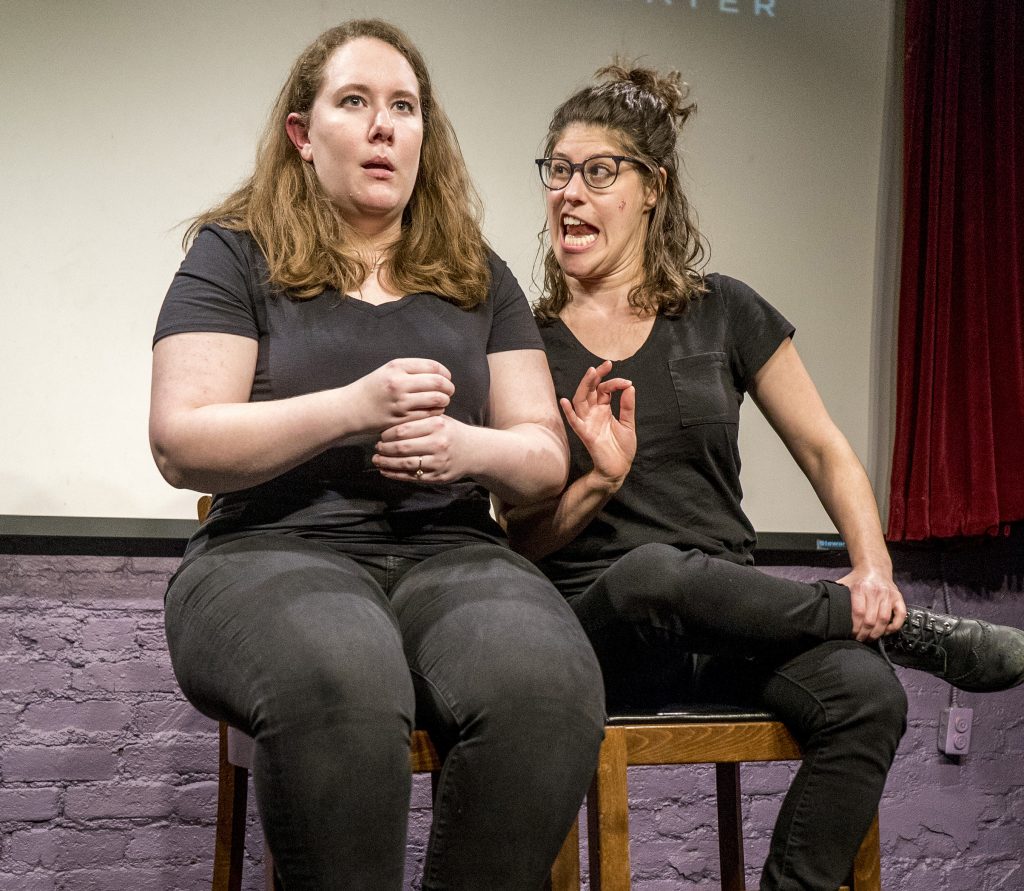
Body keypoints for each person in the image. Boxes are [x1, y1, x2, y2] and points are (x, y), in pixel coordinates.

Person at [502, 63, 1024, 890]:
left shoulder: (725, 310)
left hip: (732, 619)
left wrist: (875, 568)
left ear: (652, 189)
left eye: (598, 171)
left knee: (869, 698)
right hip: (599, 632)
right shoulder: (521, 343)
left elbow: (826, 451)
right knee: (651, 572)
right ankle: (883, 625)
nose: (570, 191)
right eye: (557, 170)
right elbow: (516, 542)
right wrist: (598, 483)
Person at [149, 20, 605, 891]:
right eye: (354, 103)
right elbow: (181, 439)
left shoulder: (477, 272)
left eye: (404, 106)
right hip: (270, 548)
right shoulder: (235, 253)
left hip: (450, 550)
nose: (384, 125)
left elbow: (543, 456)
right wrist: (353, 407)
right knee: (345, 688)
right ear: (302, 134)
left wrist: (467, 445)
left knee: (547, 694)